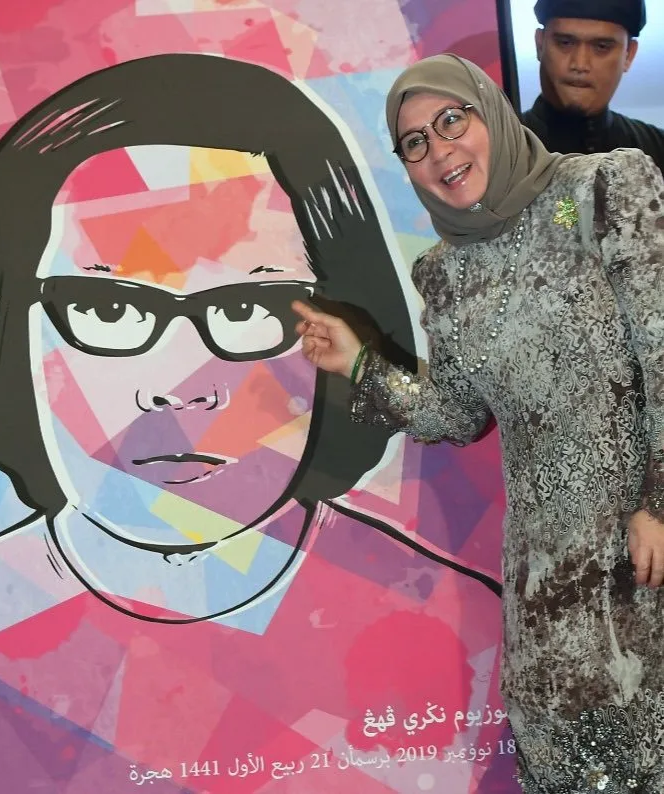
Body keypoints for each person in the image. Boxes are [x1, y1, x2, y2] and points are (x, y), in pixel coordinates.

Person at [0, 54, 512, 793]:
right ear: (5, 328)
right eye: (107, 309)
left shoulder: (469, 630)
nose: (180, 388)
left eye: (249, 309)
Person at [293, 53, 664, 793]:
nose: (440, 150)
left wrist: (658, 502)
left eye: (451, 121)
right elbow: (457, 414)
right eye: (416, 142)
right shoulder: (445, 273)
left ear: (488, 111)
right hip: (545, 595)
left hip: (644, 559)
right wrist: (361, 363)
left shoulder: (597, 190)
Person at [522, 0, 664, 173]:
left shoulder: (658, 149)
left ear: (629, 54)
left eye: (601, 47)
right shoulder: (499, 149)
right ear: (540, 44)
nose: (580, 64)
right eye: (565, 43)